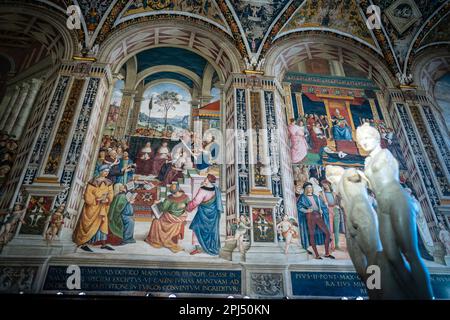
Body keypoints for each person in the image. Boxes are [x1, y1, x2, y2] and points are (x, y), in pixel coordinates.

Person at [356, 123, 433, 299]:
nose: (364, 143)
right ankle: (409, 291)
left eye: (367, 138)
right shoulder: (367, 161)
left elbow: (389, 175)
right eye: (360, 140)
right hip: (381, 206)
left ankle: (425, 295)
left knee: (410, 252)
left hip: (397, 199)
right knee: (391, 255)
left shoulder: (385, 154)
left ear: (376, 138)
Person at [73, 165, 115, 252]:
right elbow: (88, 194)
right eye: (105, 171)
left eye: (107, 171)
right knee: (87, 224)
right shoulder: (92, 181)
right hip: (92, 207)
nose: (106, 173)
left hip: (102, 207)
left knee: (102, 224)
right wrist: (96, 200)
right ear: (101, 171)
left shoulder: (109, 182)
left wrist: (107, 199)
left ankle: (103, 244)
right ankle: (83, 242)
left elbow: (111, 193)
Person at [145, 183, 190, 253]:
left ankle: (156, 239)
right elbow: (189, 207)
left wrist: (157, 203)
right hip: (181, 217)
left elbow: (163, 208)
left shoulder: (169, 198)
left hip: (170, 217)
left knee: (156, 221)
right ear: (178, 189)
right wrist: (182, 207)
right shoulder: (185, 197)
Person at [186, 174, 223, 255]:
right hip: (213, 214)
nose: (204, 180)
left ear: (209, 181)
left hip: (203, 214)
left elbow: (196, 201)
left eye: (206, 179)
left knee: (196, 227)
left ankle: (198, 248)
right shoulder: (216, 189)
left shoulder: (203, 190)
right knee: (211, 230)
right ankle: (211, 246)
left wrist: (188, 207)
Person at [296, 182, 334, 259]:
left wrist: (322, 210)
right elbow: (299, 207)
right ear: (306, 189)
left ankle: (327, 253)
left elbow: (322, 205)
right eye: (308, 188)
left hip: (318, 215)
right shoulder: (302, 197)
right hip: (310, 216)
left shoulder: (316, 197)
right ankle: (316, 255)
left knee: (327, 233)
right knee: (312, 234)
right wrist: (306, 211)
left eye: (311, 187)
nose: (310, 189)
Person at [322, 180, 340, 251]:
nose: (325, 186)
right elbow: (322, 203)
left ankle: (337, 245)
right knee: (331, 229)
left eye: (326, 184)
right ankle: (332, 246)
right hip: (328, 210)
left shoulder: (334, 193)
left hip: (335, 210)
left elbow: (338, 202)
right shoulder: (322, 193)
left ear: (329, 184)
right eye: (323, 185)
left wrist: (337, 206)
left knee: (337, 229)